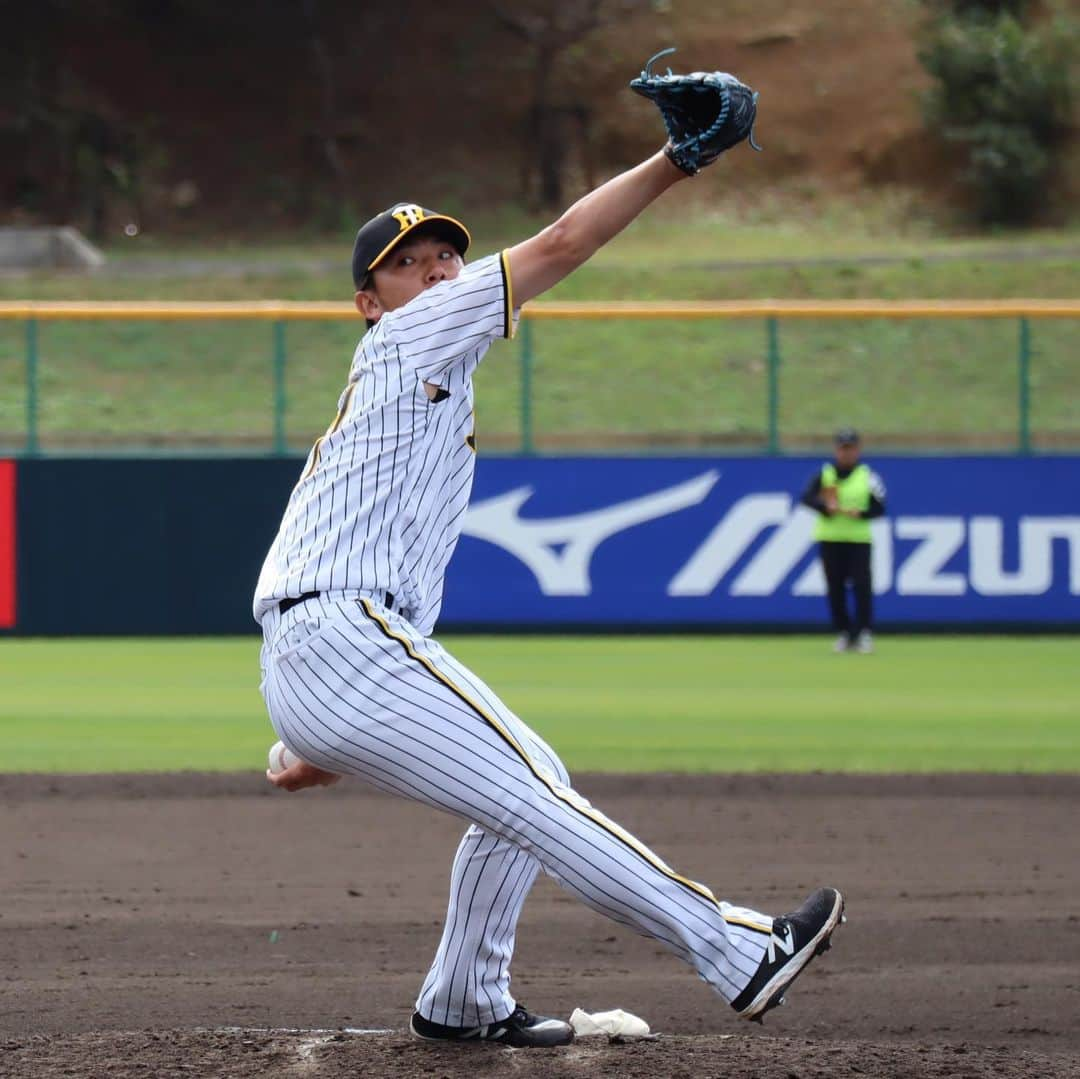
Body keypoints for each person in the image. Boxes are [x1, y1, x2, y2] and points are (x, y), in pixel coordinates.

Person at [254, 145, 844, 1048]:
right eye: (405, 265)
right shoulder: (408, 339)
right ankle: (738, 950)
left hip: (335, 648)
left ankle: (462, 1000)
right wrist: (674, 162)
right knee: (537, 794)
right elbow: (566, 240)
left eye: (446, 255)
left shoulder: (422, 392)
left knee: (522, 800)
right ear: (369, 305)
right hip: (342, 636)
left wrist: (310, 730)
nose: (438, 270)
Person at [799, 428, 887, 654]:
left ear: (857, 450)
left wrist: (862, 513)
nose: (846, 453)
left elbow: (880, 507)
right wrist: (825, 507)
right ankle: (845, 633)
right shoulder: (826, 474)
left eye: (850, 449)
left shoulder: (867, 476)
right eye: (842, 449)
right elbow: (806, 497)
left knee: (861, 587)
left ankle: (864, 632)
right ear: (836, 450)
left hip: (858, 540)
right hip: (830, 538)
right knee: (835, 588)